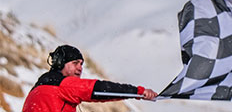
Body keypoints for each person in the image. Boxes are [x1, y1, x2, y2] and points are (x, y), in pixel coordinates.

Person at [22, 45, 158, 112]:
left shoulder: (39, 87)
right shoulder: (63, 85)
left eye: (81, 64)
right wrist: (139, 92)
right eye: (75, 63)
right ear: (60, 64)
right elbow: (99, 90)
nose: (80, 68)